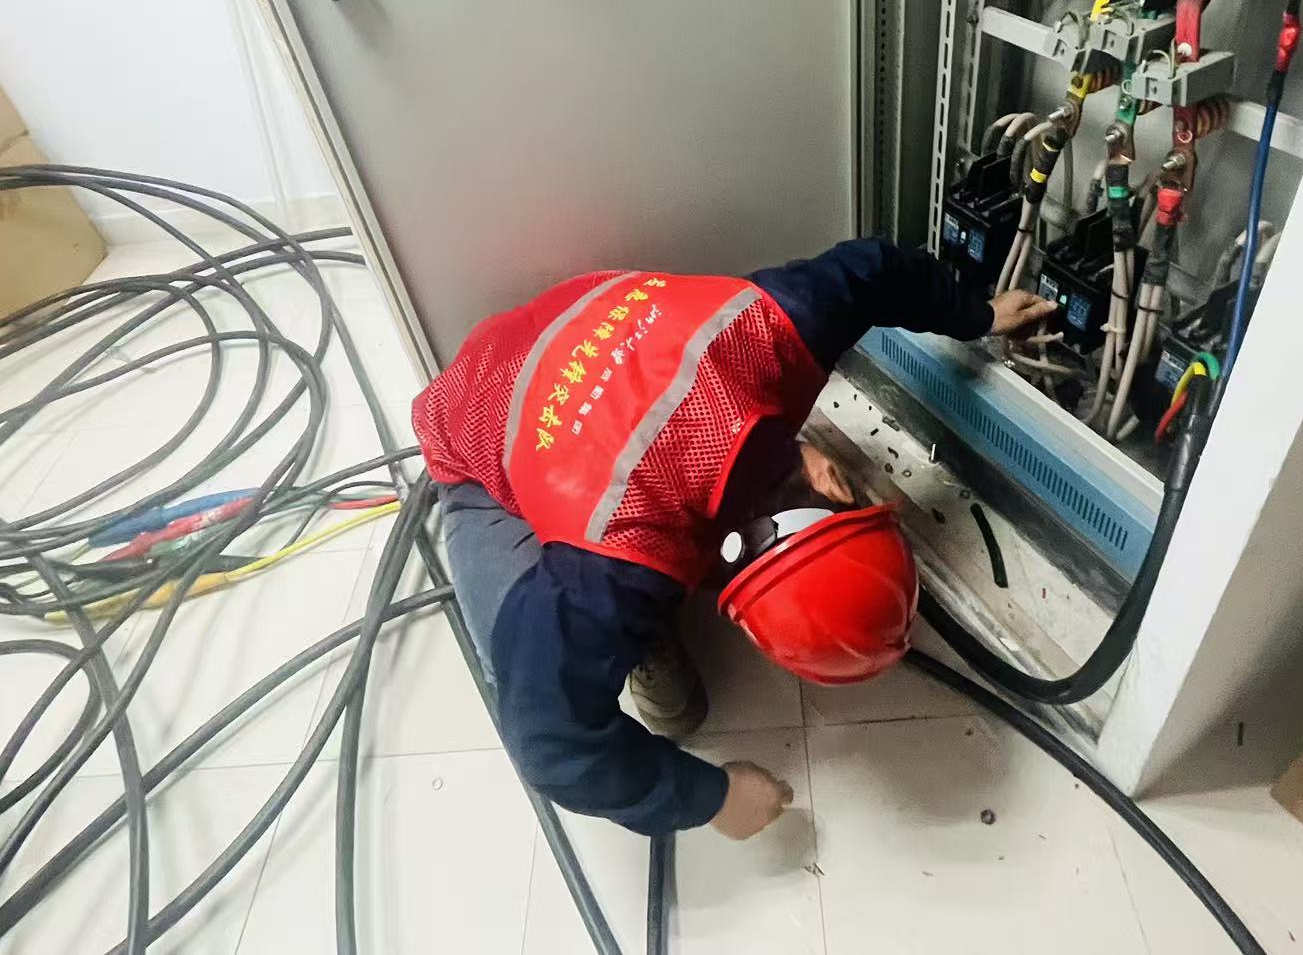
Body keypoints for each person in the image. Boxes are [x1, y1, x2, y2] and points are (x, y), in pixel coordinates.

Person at [412, 238, 1055, 841]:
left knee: (617, 600)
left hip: (574, 331)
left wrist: (978, 314)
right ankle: (635, 637)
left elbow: (876, 267)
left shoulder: (778, 328)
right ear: (827, 473)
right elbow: (550, 745)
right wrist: (714, 799)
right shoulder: (618, 554)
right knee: (525, 667)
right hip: (468, 433)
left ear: (830, 480)